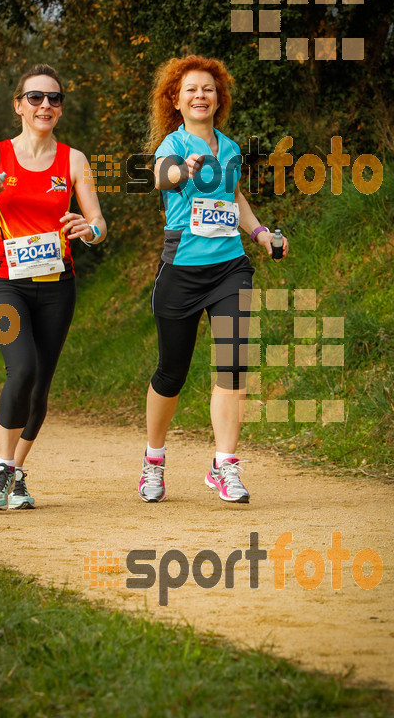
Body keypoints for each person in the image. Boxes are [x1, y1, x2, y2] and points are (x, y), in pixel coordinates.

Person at [0, 63, 106, 511]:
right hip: (6, 282)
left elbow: (99, 224)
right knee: (22, 369)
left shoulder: (74, 160)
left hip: (58, 284)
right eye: (35, 97)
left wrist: (87, 229)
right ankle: (2, 467)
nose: (45, 105)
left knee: (41, 385)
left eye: (54, 99)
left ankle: (16, 474)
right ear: (18, 105)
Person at [139, 55, 288, 504]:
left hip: (230, 267)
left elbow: (235, 196)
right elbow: (160, 175)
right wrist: (181, 170)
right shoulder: (173, 144)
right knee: (171, 373)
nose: (200, 95)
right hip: (181, 271)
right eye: (191, 90)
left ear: (218, 97)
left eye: (208, 88)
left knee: (233, 363)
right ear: (176, 100)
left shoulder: (230, 148)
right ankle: (154, 460)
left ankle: (224, 465)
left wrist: (261, 234)